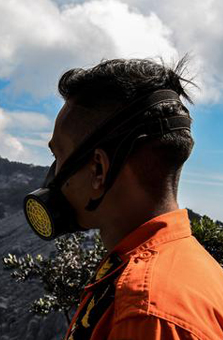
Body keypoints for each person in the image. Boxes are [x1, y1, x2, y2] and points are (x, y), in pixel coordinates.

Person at [23, 58, 223, 339]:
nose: (54, 174)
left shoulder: (146, 314)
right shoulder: (187, 266)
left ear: (99, 170)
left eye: (58, 157)